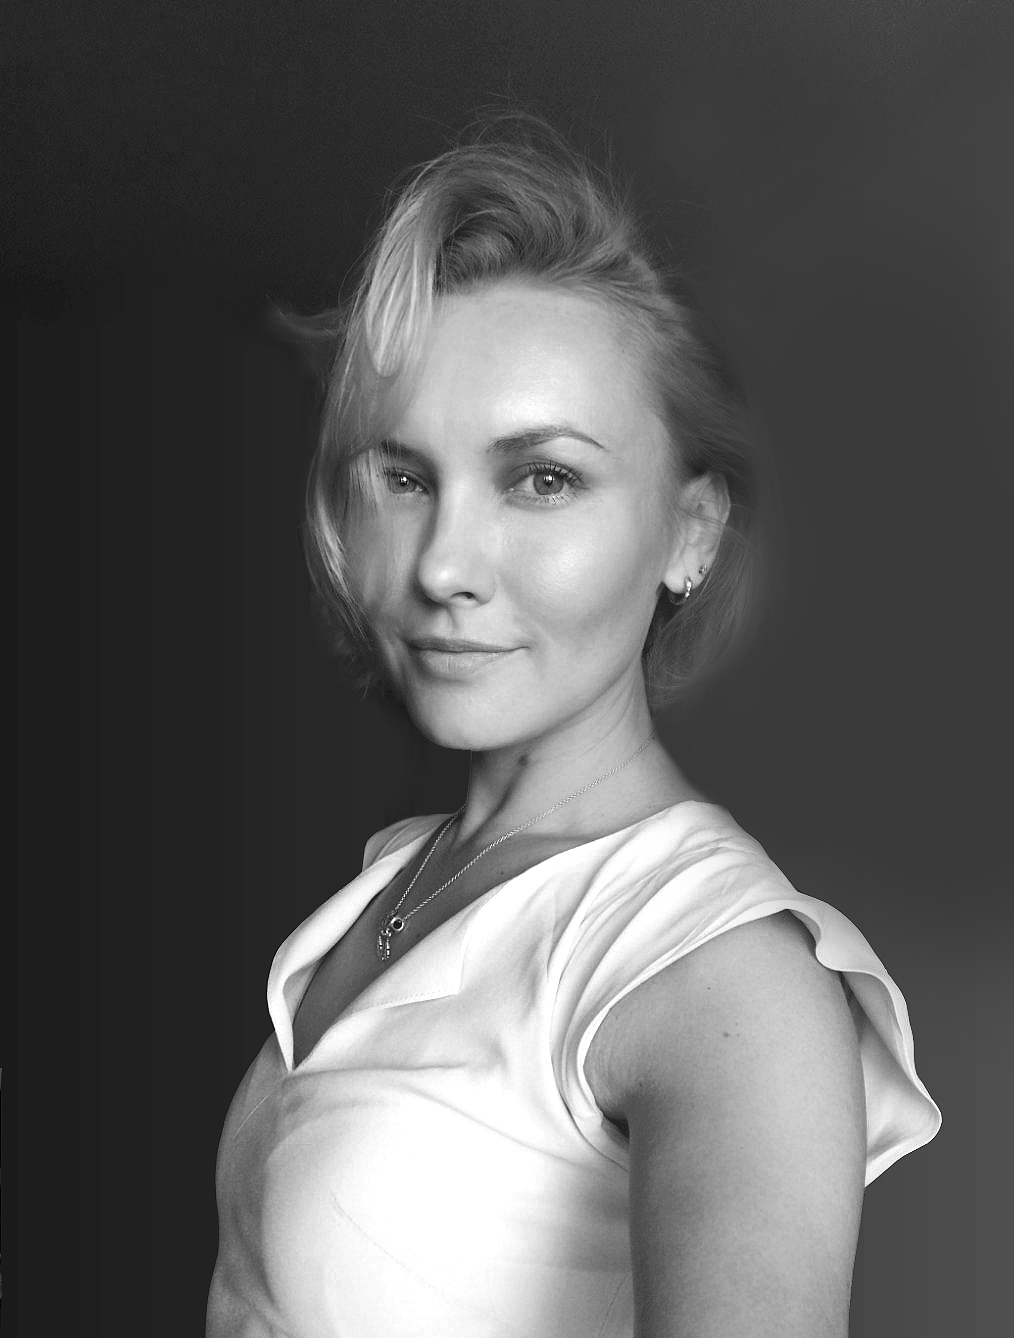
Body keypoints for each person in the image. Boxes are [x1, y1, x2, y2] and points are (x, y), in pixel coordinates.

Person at [207, 117, 941, 1338]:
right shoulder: (402, 874)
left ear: (690, 532)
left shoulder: (719, 976)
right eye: (405, 476)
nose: (444, 565)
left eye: (541, 479)